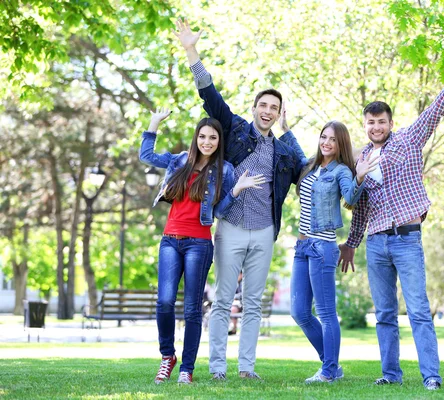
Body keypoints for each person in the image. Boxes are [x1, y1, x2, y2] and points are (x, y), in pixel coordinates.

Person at [338, 45, 444, 390]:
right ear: (365, 124)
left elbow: (434, 113)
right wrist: (351, 244)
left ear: (390, 123)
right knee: (385, 314)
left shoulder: (408, 140)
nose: (376, 127)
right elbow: (357, 206)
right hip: (376, 242)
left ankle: (431, 375)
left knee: (417, 310)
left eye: (381, 122)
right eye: (370, 123)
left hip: (406, 238)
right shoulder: (360, 158)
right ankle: (391, 373)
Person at [172, 19, 304, 380]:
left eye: (274, 108)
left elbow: (306, 171)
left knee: (253, 306)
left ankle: (247, 369)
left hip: (263, 233)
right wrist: (191, 51)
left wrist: (291, 135)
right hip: (230, 227)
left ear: (278, 114)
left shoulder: (282, 153)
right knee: (222, 301)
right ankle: (217, 368)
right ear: (256, 107)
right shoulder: (236, 129)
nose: (267, 111)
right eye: (263, 104)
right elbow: (209, 94)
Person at [139, 108, 264, 384]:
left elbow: (219, 211)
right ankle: (167, 356)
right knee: (164, 302)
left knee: (193, 309)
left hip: (199, 242)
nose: (207, 142)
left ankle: (187, 368)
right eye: (203, 136)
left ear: (219, 142)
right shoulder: (179, 161)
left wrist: (236, 190)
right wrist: (153, 123)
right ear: (197, 138)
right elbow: (146, 156)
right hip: (170, 239)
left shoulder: (225, 170)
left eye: (213, 138)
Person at [282, 109, 379, 383]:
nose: (326, 142)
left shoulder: (342, 172)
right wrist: (286, 127)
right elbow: (297, 151)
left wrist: (359, 176)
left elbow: (350, 196)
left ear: (341, 144)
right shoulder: (311, 166)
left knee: (325, 313)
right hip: (301, 248)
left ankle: (328, 371)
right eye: (324, 137)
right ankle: (332, 365)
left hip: (323, 247)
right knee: (299, 312)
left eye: (333, 140)